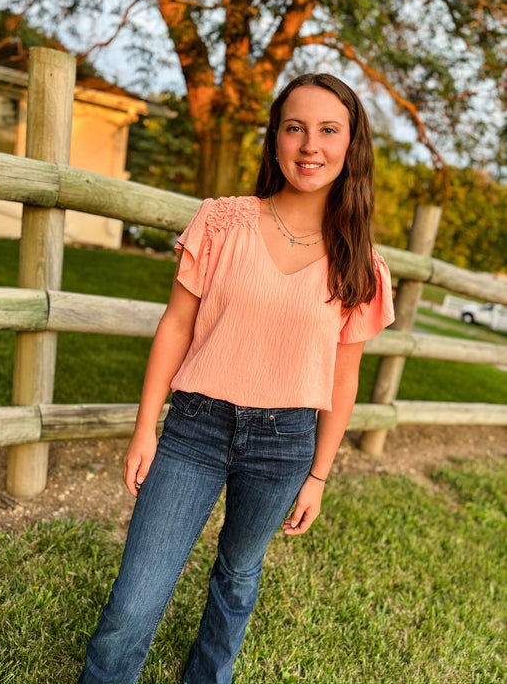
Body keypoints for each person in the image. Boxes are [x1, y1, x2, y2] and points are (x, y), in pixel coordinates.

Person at [77, 73, 394, 684]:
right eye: (295, 128)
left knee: (239, 575)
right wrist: (146, 428)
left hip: (285, 446)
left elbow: (343, 379)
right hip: (195, 429)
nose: (310, 145)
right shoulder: (223, 223)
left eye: (329, 130)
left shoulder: (361, 263)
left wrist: (319, 476)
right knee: (135, 599)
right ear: (275, 139)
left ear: (351, 146)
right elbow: (175, 327)